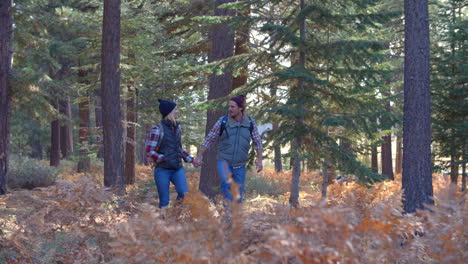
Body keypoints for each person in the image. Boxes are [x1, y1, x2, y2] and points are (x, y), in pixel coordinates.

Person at [193, 95, 263, 203]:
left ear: (240, 108)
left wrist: (259, 159)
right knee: (227, 184)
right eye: (229, 106)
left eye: (233, 107)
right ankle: (228, 214)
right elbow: (209, 139)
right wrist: (200, 154)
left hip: (240, 165)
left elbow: (257, 142)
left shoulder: (250, 123)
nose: (229, 109)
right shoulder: (223, 121)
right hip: (224, 162)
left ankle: (235, 217)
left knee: (238, 194)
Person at [146, 99, 194, 208]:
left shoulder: (177, 128)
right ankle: (164, 223)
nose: (178, 112)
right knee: (164, 202)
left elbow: (179, 149)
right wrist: (161, 158)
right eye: (176, 110)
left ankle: (174, 217)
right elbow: (149, 150)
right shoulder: (157, 130)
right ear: (170, 113)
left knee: (184, 194)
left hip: (177, 168)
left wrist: (191, 160)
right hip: (162, 170)